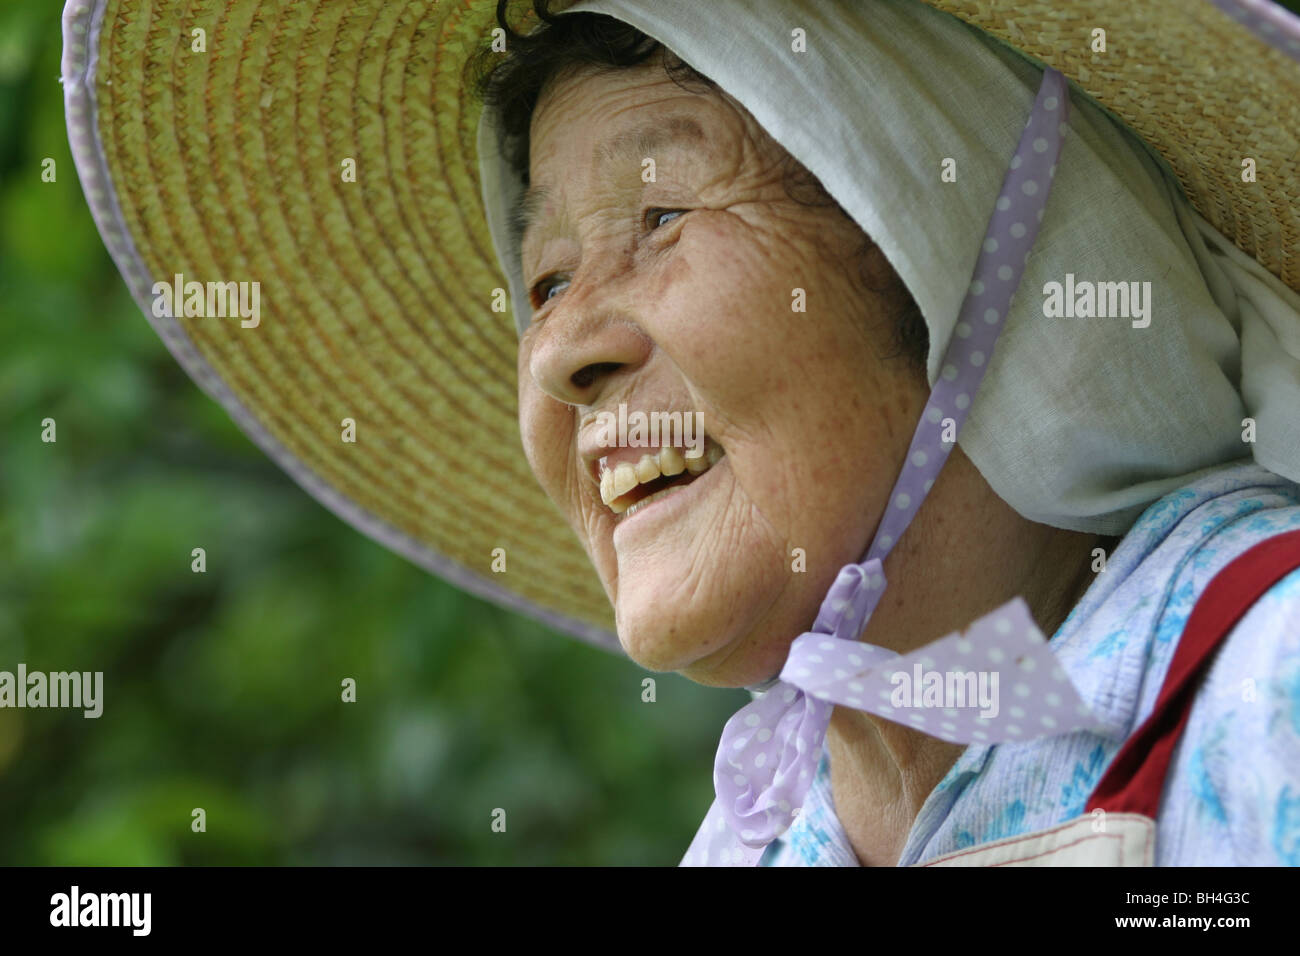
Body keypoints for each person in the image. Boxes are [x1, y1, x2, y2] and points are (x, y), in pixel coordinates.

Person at [62, 0, 1300, 865]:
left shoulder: (1267, 685)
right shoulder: (764, 828)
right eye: (544, 279)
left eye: (659, 213)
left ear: (960, 245)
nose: (558, 351)